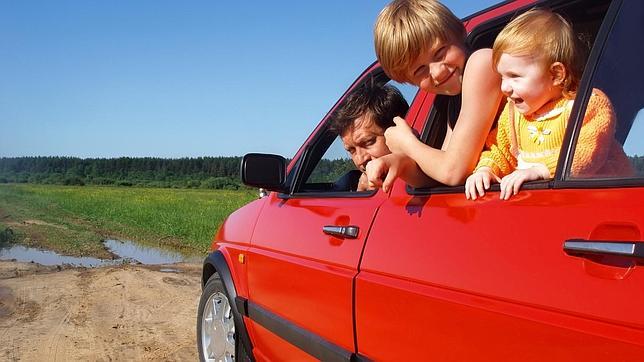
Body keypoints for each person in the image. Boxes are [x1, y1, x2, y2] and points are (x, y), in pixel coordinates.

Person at [464, 9, 633, 200]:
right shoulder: (514, 114)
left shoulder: (588, 105)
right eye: (502, 77)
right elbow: (500, 150)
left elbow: (588, 153)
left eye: (514, 76)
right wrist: (486, 169)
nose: (504, 87)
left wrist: (540, 171)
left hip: (605, 201)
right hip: (551, 204)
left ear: (556, 75)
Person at [365, 0, 504, 192]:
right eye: (420, 70)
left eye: (440, 52)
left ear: (459, 33)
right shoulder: (451, 100)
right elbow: (440, 170)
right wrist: (398, 163)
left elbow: (453, 171)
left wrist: (407, 143)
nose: (437, 72)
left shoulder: (482, 63)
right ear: (409, 81)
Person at [329, 81, 409, 191]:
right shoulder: (351, 183)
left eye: (368, 142)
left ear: (399, 130)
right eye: (351, 150)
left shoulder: (430, 170)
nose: (360, 160)